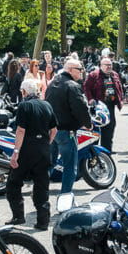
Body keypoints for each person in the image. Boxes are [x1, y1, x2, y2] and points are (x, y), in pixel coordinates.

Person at [5, 80, 57, 230]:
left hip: (27, 150)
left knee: (14, 183)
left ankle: (18, 216)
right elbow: (54, 130)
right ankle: (43, 221)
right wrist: (46, 142)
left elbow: (21, 130)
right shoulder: (47, 105)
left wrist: (15, 153)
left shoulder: (24, 106)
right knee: (42, 185)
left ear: (24, 92)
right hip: (43, 149)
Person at [46, 56, 90, 203]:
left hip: (52, 130)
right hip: (66, 131)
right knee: (70, 167)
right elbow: (80, 108)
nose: (82, 72)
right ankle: (65, 199)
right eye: (79, 69)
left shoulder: (53, 83)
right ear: (71, 70)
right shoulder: (72, 85)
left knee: (49, 164)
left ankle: (41, 195)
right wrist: (88, 123)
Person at [83, 55, 125, 150]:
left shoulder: (115, 75)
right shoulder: (94, 75)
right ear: (101, 65)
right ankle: (94, 151)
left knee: (109, 128)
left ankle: (106, 151)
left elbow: (120, 87)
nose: (109, 67)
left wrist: (121, 99)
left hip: (110, 106)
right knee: (96, 130)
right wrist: (90, 99)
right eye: (106, 65)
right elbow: (86, 87)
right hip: (97, 106)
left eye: (110, 65)